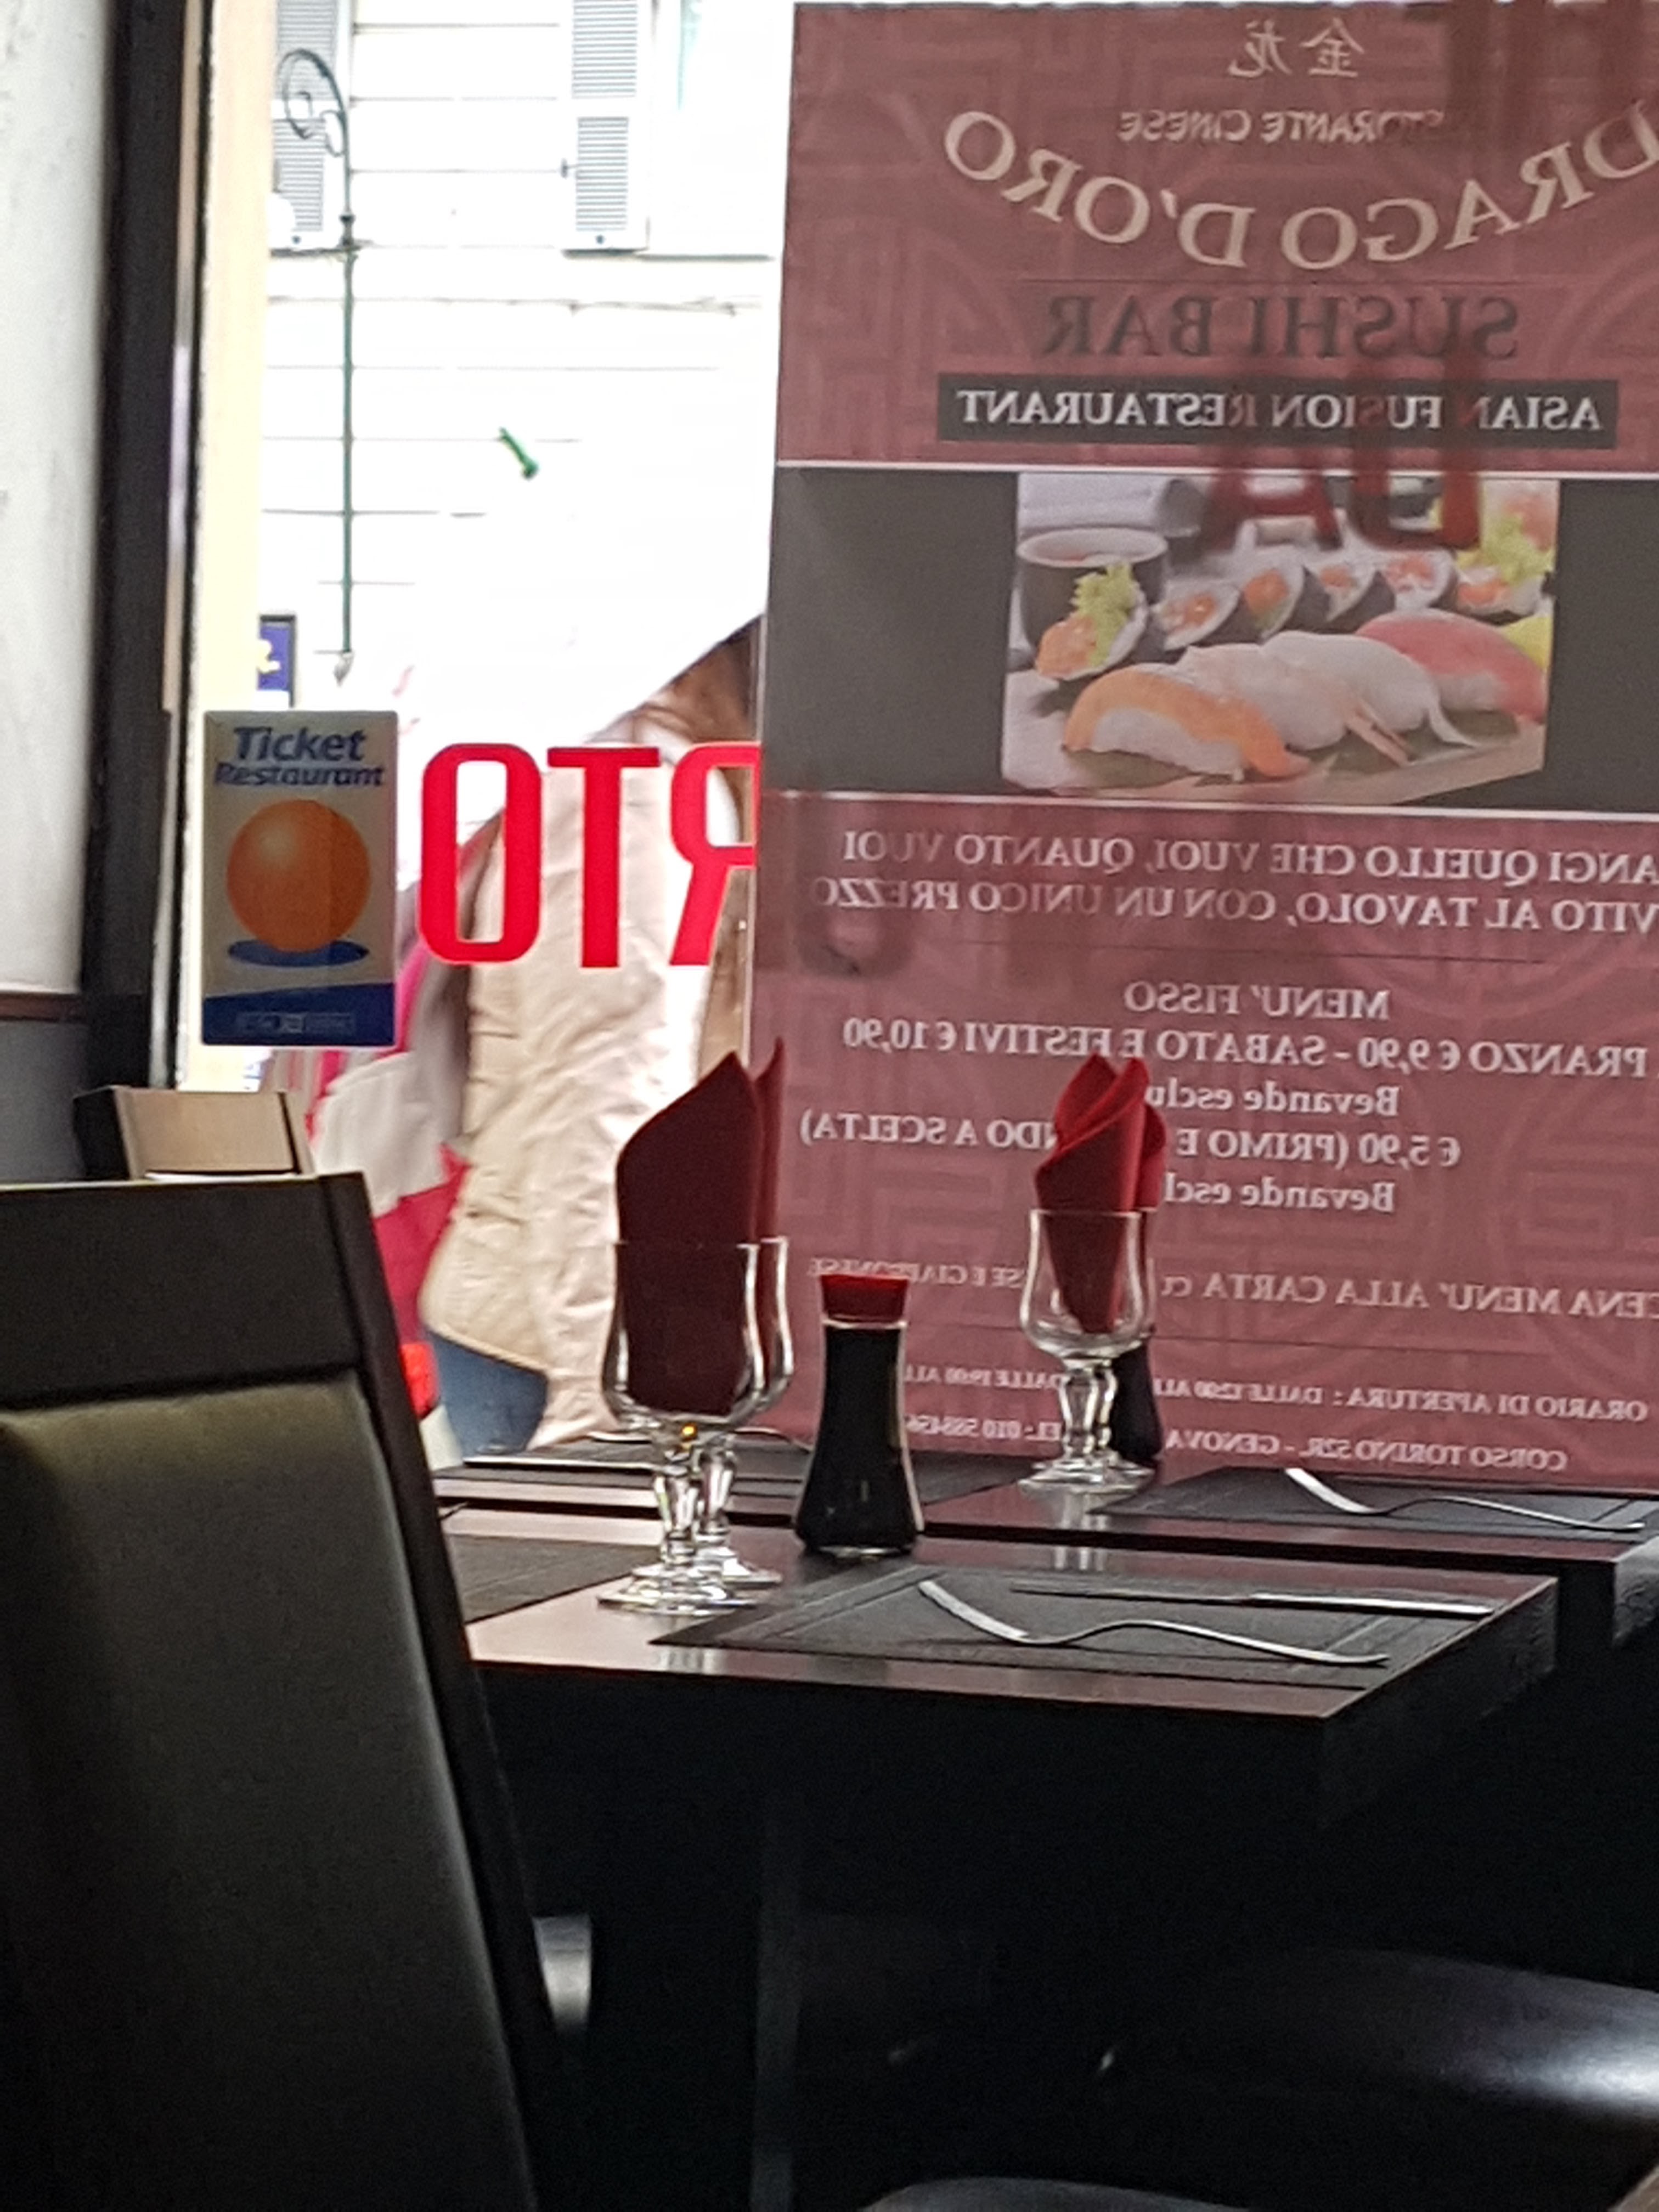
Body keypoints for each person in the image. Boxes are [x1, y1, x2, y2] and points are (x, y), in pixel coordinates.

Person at [418, 628, 755, 1455]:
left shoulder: (651, 774)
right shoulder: (631, 791)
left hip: (563, 1318)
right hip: (552, 1346)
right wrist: (598, 1407)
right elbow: (602, 1107)